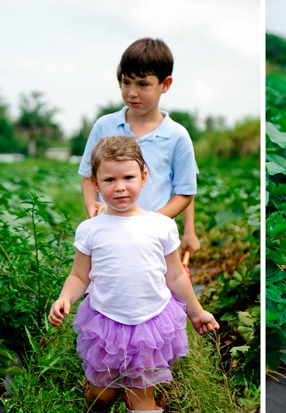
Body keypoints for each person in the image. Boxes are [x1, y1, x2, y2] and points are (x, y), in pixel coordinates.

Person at [50, 136, 219, 413]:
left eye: (128, 178)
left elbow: (175, 275)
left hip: (149, 322)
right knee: (102, 391)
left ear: (144, 176)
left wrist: (196, 311)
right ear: (95, 185)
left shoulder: (160, 225)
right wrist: (65, 297)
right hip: (107, 322)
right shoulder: (91, 229)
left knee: (142, 387)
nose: (120, 187)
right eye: (109, 180)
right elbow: (80, 275)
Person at [78, 37, 200, 255]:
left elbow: (184, 191)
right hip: (108, 236)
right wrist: (91, 203)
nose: (132, 92)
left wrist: (152, 223)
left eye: (142, 84)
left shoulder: (177, 136)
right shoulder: (103, 126)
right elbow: (89, 176)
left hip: (154, 240)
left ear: (165, 84)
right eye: (126, 82)